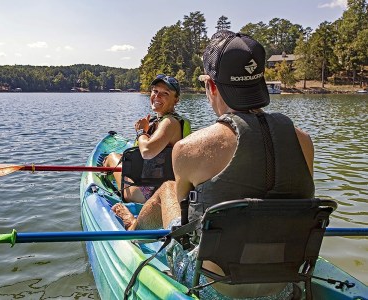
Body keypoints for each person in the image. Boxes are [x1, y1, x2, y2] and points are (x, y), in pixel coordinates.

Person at [112, 30, 314, 299]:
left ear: (212, 86)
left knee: (168, 188)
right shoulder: (304, 140)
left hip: (214, 289)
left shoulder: (191, 148)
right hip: (283, 285)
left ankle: (133, 228)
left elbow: (184, 224)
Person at [103, 74, 191, 204]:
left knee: (111, 157)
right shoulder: (162, 121)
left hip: (147, 195)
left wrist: (141, 131)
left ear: (176, 100)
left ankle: (103, 183)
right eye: (155, 91)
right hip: (160, 188)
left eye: (165, 93)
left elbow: (147, 151)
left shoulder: (170, 122)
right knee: (120, 156)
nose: (157, 96)